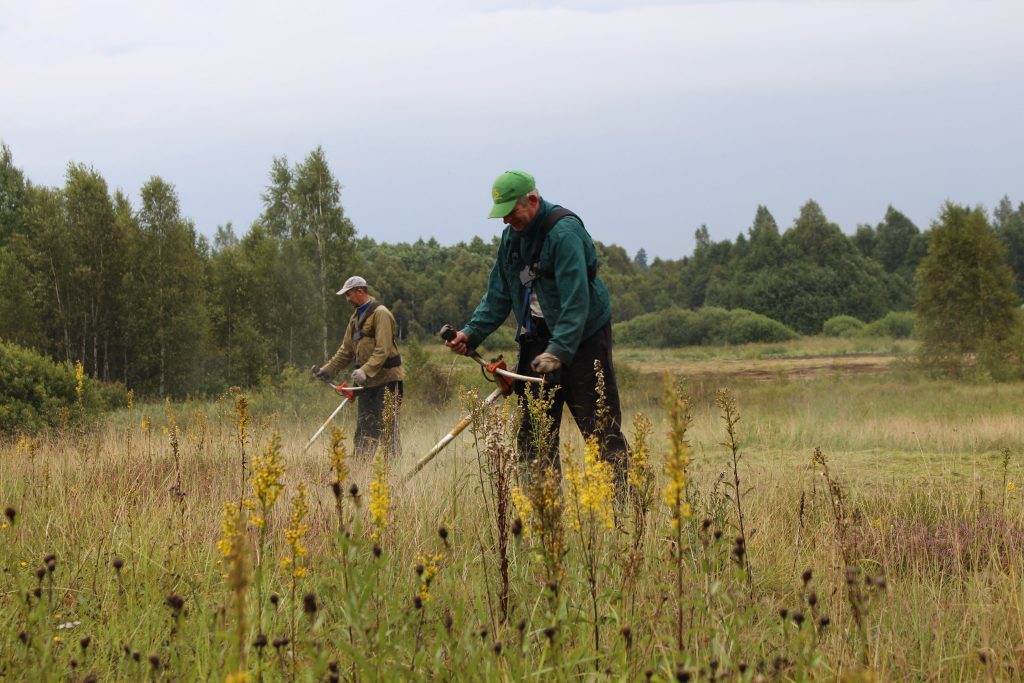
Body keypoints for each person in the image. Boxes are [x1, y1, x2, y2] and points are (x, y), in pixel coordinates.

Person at [445, 170, 629, 479]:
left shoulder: (564, 233)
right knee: (533, 439)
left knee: (601, 431)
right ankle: (543, 515)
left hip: (583, 339)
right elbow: (498, 295)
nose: (506, 221)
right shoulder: (511, 240)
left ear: (532, 200)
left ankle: (626, 513)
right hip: (537, 341)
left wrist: (559, 350)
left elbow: (577, 300)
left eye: (511, 213)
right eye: (501, 215)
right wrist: (470, 333)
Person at [314, 276, 404, 459]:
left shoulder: (381, 314)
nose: (347, 299)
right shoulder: (355, 318)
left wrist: (365, 370)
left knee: (387, 428)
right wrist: (328, 371)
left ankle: (393, 469)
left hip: (387, 380)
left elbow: (383, 349)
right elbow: (345, 351)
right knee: (364, 429)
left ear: (360, 291)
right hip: (367, 384)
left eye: (348, 294)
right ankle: (362, 470)